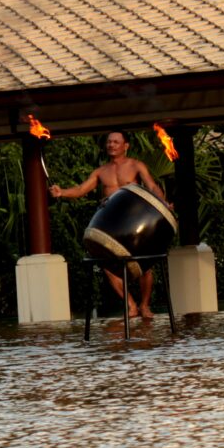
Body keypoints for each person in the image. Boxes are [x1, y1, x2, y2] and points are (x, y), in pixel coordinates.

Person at [50, 130, 167, 318]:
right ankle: (131, 305)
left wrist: (162, 204)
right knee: (107, 266)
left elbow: (152, 187)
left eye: (115, 142)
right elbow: (81, 189)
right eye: (109, 142)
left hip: (133, 223)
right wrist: (61, 192)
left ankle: (145, 305)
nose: (111, 145)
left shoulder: (136, 165)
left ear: (125, 146)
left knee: (146, 266)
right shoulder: (101, 171)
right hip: (112, 226)